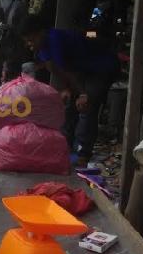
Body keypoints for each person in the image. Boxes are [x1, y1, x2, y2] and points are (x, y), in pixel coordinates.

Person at [17, 15, 120, 164]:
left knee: (86, 107)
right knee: (68, 104)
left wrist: (83, 93)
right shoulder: (42, 48)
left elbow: (67, 71)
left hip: (101, 68)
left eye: (31, 40)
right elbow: (56, 69)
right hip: (81, 71)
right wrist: (67, 89)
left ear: (41, 32)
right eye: (26, 41)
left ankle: (83, 154)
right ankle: (64, 147)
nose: (29, 44)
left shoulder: (55, 39)